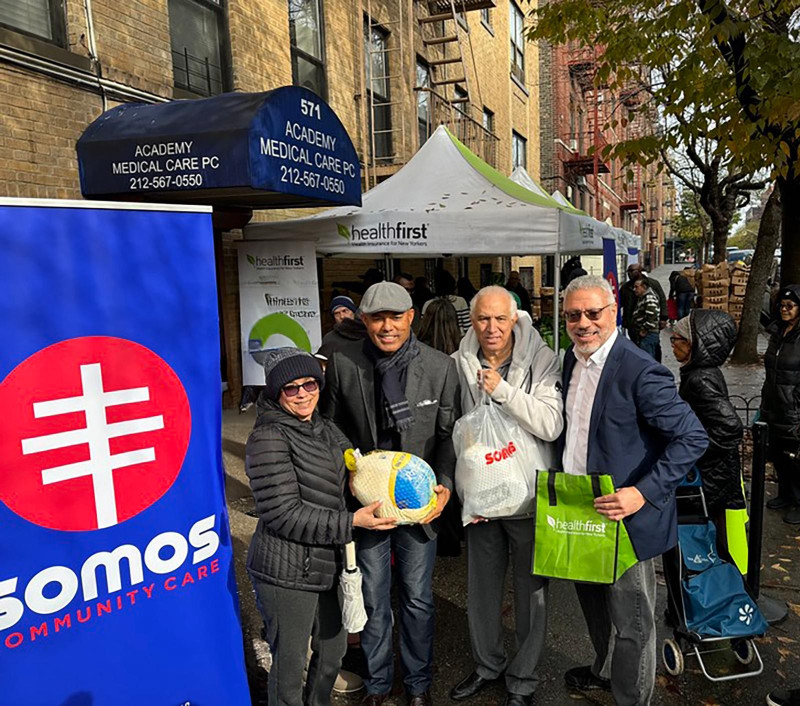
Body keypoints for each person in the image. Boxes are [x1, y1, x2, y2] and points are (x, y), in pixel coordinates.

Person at [559, 275, 707, 705]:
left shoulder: (640, 369)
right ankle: (605, 671)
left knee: (633, 622)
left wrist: (642, 493)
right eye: (573, 315)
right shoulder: (572, 360)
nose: (583, 323)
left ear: (614, 312)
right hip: (580, 511)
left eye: (592, 313)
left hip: (626, 517)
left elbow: (692, 438)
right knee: (595, 608)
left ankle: (631, 697)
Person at [320, 281, 461, 706]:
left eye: (395, 316)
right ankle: (380, 684)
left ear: (411, 317)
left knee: (417, 599)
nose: (387, 326)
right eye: (377, 317)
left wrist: (446, 487)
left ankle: (418, 684)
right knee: (374, 597)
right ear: (363, 321)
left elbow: (448, 437)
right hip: (369, 504)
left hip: (418, 508)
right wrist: (351, 467)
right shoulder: (344, 364)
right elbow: (332, 425)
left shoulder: (440, 367)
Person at [245, 348, 396, 706]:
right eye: (290, 388)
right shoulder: (268, 438)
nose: (302, 394)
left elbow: (361, 471)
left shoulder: (325, 427)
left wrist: (404, 489)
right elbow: (283, 513)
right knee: (290, 665)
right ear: (275, 394)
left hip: (327, 562)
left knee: (332, 652)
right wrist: (353, 521)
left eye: (309, 384)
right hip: (285, 570)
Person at [450, 286, 563, 706]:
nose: (491, 328)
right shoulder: (459, 362)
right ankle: (487, 666)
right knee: (480, 588)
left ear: (515, 319)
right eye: (483, 319)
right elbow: (457, 433)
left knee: (530, 591)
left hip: (527, 495)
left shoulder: (542, 359)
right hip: (480, 498)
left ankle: (524, 679)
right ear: (473, 321)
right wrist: (465, 492)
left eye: (500, 319)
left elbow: (550, 424)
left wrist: (502, 391)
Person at [671, 310, 748, 571]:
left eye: (678, 338)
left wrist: (694, 452)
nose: (672, 343)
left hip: (712, 477)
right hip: (718, 474)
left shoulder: (699, 379)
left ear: (696, 343)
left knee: (718, 540)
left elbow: (729, 427)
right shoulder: (701, 372)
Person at [417, 296, 464, 558]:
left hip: (425, 436)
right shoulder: (462, 352)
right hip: (452, 432)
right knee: (448, 483)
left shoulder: (421, 354)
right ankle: (450, 539)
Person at [760, 285, 800, 524]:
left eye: (790, 306)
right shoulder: (777, 332)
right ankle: (785, 494)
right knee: (779, 454)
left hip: (793, 406)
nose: (784, 310)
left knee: (796, 457)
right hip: (774, 403)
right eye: (782, 306)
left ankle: (798, 500)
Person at [620, 263, 668, 350]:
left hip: (649, 324)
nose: (629, 274)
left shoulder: (653, 283)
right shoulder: (625, 287)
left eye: (632, 271)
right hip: (632, 324)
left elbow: (662, 300)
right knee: (636, 348)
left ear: (639, 271)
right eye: (628, 272)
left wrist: (663, 318)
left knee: (651, 347)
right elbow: (620, 303)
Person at [422, 269, 471, 334]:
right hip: (457, 338)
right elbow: (467, 326)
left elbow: (424, 327)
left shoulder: (428, 304)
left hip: (434, 339)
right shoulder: (460, 301)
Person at [631, 278, 662, 359]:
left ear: (644, 287)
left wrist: (644, 329)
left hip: (649, 334)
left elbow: (653, 315)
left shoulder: (649, 297)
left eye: (636, 287)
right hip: (646, 334)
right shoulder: (643, 297)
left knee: (647, 358)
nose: (634, 289)